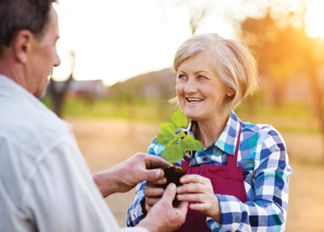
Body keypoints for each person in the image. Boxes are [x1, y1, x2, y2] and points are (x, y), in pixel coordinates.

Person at [0, 0, 188, 231]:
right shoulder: (42, 137)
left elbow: (31, 198)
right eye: (54, 42)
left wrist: (111, 179)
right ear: (23, 46)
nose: (58, 60)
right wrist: (153, 225)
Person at [127, 33, 292, 231]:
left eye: (201, 77)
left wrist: (217, 207)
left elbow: (274, 221)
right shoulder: (165, 145)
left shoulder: (262, 143)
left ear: (230, 87)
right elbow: (132, 222)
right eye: (182, 76)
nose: (188, 88)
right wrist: (146, 207)